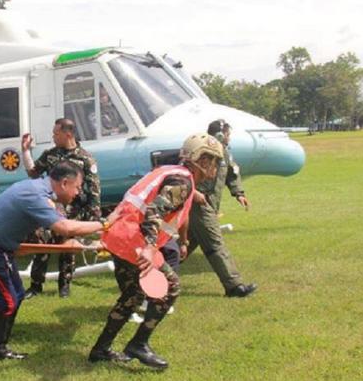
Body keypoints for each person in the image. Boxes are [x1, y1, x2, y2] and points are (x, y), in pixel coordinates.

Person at [0, 161, 106, 361]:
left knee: (16, 296)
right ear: (65, 183)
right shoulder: (36, 195)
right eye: (77, 187)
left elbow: (65, 228)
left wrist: (92, 238)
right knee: (6, 302)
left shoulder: (39, 190)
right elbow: (65, 227)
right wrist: (104, 224)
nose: (78, 193)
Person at [88, 133, 223, 370]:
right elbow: (154, 211)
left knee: (132, 296)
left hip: (121, 236)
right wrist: (150, 248)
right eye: (211, 158)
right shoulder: (183, 182)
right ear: (198, 159)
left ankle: (101, 349)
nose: (214, 165)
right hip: (135, 240)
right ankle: (138, 344)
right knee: (170, 288)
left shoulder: (172, 173)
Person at [20, 118, 101, 298]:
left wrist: (94, 218)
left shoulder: (85, 159)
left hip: (74, 211)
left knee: (67, 248)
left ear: (68, 134)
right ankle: (35, 286)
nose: (53, 137)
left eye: (56, 133)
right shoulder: (50, 155)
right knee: (43, 244)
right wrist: (26, 152)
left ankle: (64, 287)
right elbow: (33, 173)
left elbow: (94, 190)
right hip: (51, 208)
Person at [186, 119, 256, 298]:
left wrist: (238, 193)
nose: (229, 138)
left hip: (209, 207)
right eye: (227, 134)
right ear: (219, 135)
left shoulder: (224, 153)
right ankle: (234, 286)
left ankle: (151, 274)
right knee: (215, 245)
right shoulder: (201, 151)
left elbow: (232, 174)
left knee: (182, 247)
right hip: (199, 205)